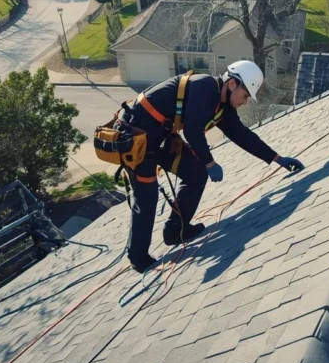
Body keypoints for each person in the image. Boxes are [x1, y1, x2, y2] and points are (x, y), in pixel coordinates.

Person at [123, 60, 304, 273]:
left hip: (160, 137)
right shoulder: (205, 87)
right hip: (137, 136)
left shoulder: (222, 108)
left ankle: (176, 230)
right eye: (245, 96)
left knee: (196, 173)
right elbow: (192, 130)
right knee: (147, 195)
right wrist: (210, 162)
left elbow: (242, 135)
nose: (245, 102)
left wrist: (277, 159)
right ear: (233, 84)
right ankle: (138, 257)